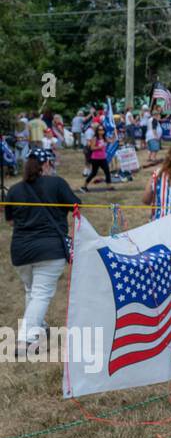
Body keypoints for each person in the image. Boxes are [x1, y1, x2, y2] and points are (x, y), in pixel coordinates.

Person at [4, 147, 79, 353]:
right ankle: (26, 339)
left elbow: (10, 220)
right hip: (50, 249)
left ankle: (39, 327)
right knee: (40, 294)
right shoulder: (57, 183)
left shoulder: (14, 190)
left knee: (32, 290)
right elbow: (76, 207)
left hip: (20, 251)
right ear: (46, 164)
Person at [82, 124, 111, 190]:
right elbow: (92, 148)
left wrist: (116, 134)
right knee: (94, 173)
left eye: (103, 129)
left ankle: (109, 186)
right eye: (100, 130)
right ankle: (84, 186)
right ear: (97, 131)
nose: (101, 131)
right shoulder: (95, 138)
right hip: (95, 159)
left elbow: (111, 141)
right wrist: (99, 147)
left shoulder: (104, 138)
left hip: (103, 158)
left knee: (107, 172)